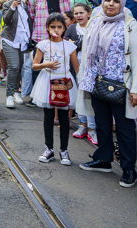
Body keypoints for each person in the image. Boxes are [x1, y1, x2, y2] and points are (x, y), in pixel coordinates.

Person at [77, 0, 137, 188]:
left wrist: (136, 89)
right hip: (98, 82)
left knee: (125, 129)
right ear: (103, 1)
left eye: (116, 1)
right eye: (108, 0)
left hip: (122, 85)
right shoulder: (96, 22)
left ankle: (128, 169)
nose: (111, 4)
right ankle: (104, 159)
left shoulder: (130, 25)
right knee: (102, 124)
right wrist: (85, 79)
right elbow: (87, 52)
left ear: (122, 4)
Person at [31, 14, 79, 166]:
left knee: (65, 117)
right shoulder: (43, 45)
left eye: (59, 27)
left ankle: (64, 149)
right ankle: (49, 148)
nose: (56, 30)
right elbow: (34, 64)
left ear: (64, 28)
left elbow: (76, 67)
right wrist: (46, 64)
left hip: (64, 81)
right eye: (53, 27)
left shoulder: (70, 46)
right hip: (47, 81)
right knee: (48, 116)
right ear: (47, 28)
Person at [65, 3, 97, 145]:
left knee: (88, 96)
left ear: (88, 13)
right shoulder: (72, 28)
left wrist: (76, 43)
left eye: (81, 13)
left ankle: (92, 128)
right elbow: (66, 44)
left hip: (90, 67)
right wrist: (76, 43)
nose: (78, 16)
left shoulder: (94, 27)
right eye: (76, 13)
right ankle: (83, 124)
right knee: (79, 95)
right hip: (76, 67)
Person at [1, 0, 32, 108]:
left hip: (22, 41)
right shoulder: (7, 4)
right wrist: (13, 7)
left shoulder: (26, 6)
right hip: (9, 40)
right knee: (13, 66)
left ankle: (16, 92)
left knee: (19, 67)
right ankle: (9, 95)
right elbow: (6, 20)